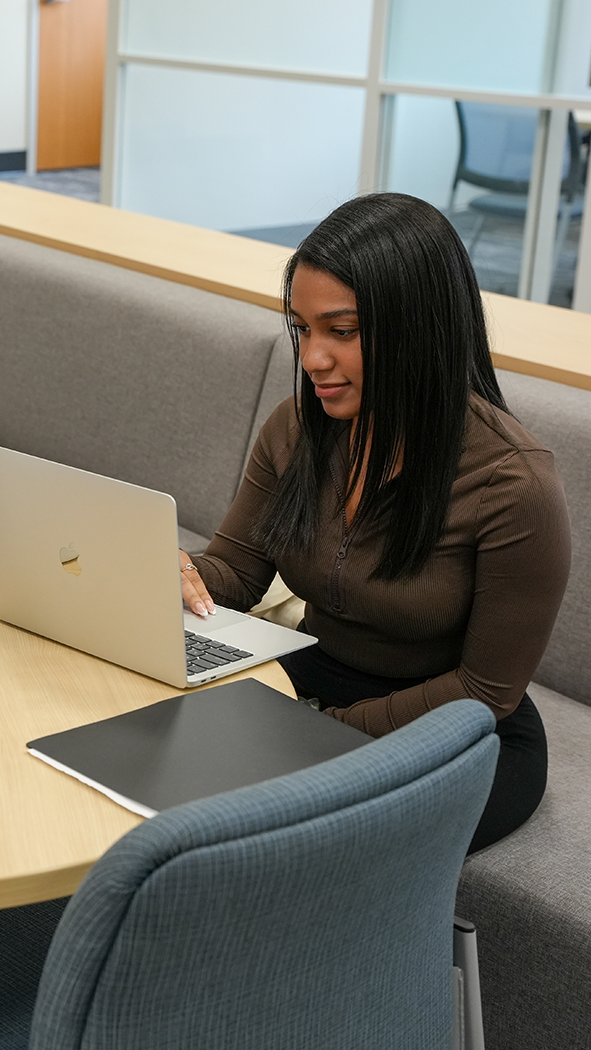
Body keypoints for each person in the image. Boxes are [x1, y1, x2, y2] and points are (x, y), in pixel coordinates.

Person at [178, 193, 570, 853]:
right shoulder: (299, 428)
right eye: (302, 329)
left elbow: (485, 690)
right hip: (311, 681)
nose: (312, 359)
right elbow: (238, 570)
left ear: (421, 327)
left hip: (457, 733)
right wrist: (176, 573)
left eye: (342, 330)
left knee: (276, 832)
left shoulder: (513, 481)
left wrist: (325, 729)